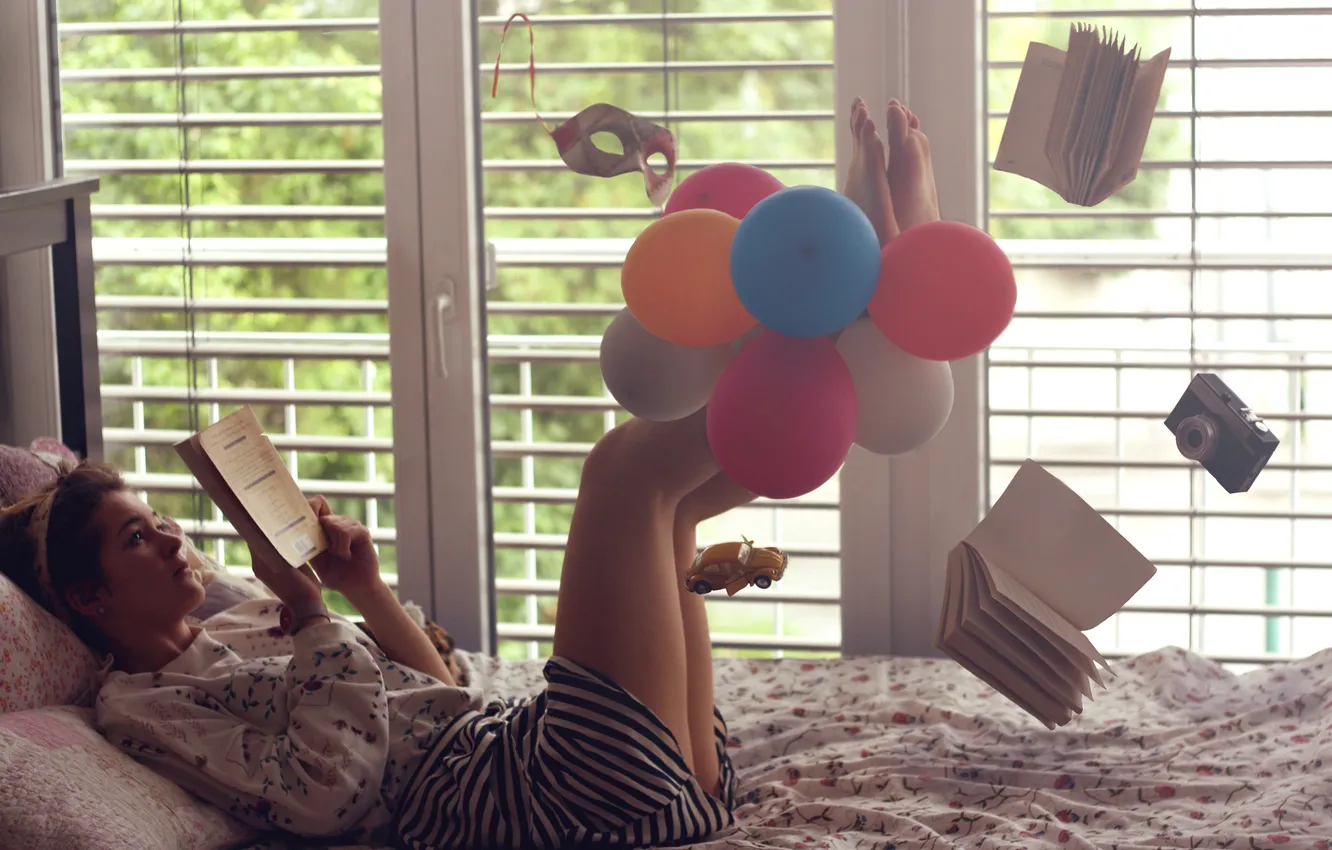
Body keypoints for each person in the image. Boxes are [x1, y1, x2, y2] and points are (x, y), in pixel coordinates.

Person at [0, 98, 940, 850]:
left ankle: (858, 300)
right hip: (541, 799)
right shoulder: (143, 707)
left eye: (157, 517)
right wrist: (321, 621)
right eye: (136, 536)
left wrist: (365, 592)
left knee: (673, 511)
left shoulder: (243, 611)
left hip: (614, 781)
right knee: (623, 473)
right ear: (88, 595)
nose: (170, 534)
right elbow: (325, 795)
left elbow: (431, 695)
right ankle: (854, 301)